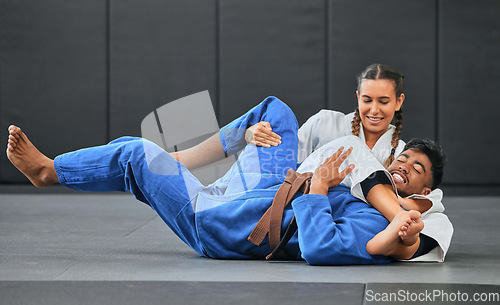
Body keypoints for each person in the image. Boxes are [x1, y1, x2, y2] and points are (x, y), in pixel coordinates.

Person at [6, 97, 446, 265]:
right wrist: (256, 144)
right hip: (265, 188)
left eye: (416, 169)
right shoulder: (371, 177)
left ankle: (48, 171)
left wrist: (317, 189)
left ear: (425, 193)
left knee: (133, 151)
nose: (404, 165)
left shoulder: (387, 220)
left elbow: (322, 248)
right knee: (275, 112)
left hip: (227, 221)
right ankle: (179, 161)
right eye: (404, 157)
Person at [244, 64, 451, 261]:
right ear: (358, 97)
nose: (374, 110)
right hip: (303, 197)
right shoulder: (326, 123)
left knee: (439, 222)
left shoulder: (400, 152)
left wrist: (410, 204)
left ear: (398, 102)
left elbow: (431, 197)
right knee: (351, 145)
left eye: (384, 101)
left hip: (344, 220)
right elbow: (285, 159)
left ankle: (407, 240)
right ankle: (399, 222)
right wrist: (249, 134)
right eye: (367, 100)